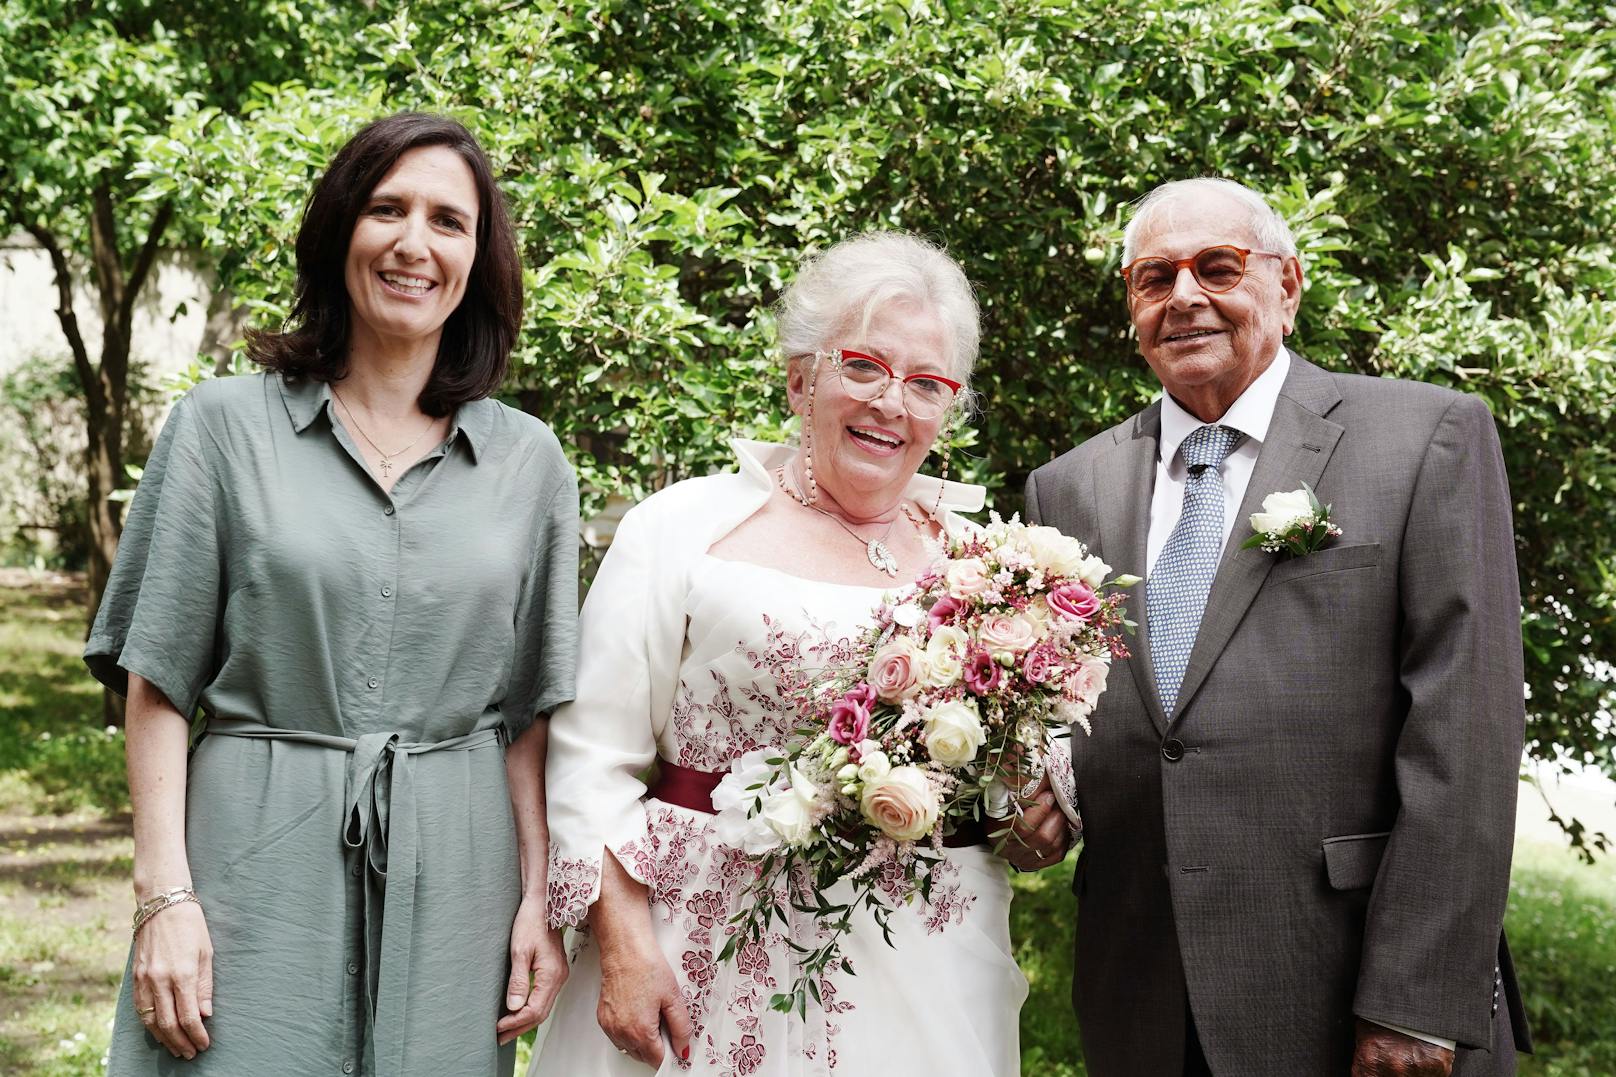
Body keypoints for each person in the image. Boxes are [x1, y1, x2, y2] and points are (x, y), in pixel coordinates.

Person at [84, 112, 579, 1076]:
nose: (413, 243)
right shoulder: (221, 429)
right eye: (386, 209)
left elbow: (527, 717)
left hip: (458, 880)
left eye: (448, 220)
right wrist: (163, 897)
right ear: (339, 229)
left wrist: (536, 902)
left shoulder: (530, 463)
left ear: (478, 257)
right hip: (248, 866)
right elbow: (155, 683)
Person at [1024, 177, 1530, 1075]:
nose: (1184, 296)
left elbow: (1467, 732)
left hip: (1346, 983)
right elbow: (1080, 707)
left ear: (1288, 286)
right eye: (1153, 278)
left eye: (1217, 266)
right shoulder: (1067, 488)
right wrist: (1042, 786)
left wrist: (1414, 1001)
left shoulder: (1426, 438)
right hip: (1141, 988)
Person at [533, 232, 1059, 1077]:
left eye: (926, 383)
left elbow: (1013, 781)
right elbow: (590, 760)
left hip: (924, 969)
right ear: (798, 377)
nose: (892, 402)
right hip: (700, 953)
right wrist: (625, 945)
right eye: (862, 366)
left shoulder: (983, 568)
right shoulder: (681, 529)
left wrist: (1033, 802)